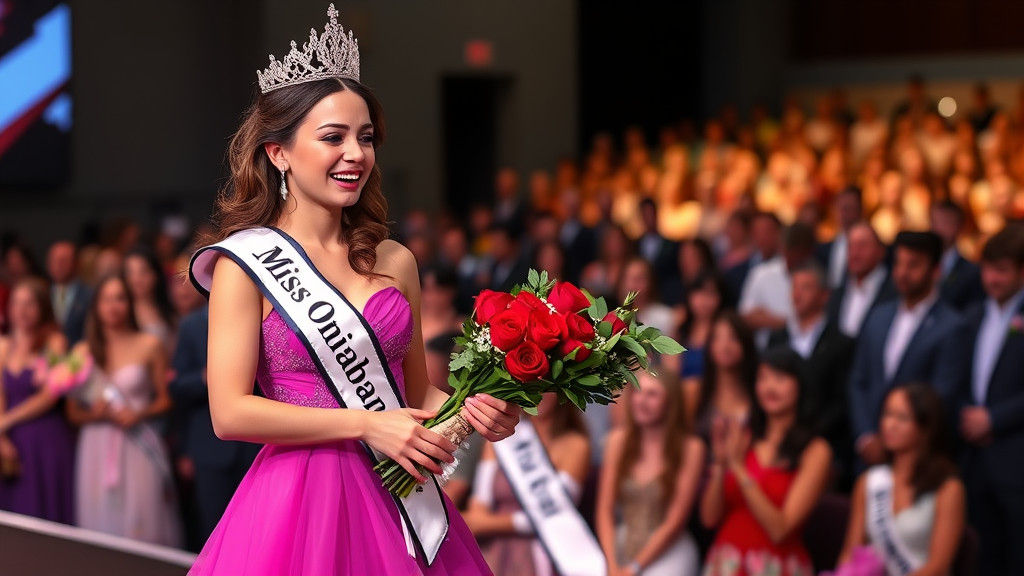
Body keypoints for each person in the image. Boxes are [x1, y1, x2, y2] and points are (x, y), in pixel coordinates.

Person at [184, 7, 518, 574]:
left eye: (365, 138)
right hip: (296, 501)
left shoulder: (396, 261)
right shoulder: (246, 264)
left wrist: (475, 410)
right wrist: (365, 423)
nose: (356, 154)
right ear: (279, 152)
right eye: (332, 137)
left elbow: (416, 395)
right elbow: (230, 412)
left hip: (400, 496)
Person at [66, 274, 182, 546]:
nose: (113, 306)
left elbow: (167, 400)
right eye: (106, 299)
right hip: (96, 446)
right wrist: (97, 413)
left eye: (120, 298)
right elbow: (72, 413)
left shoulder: (150, 344)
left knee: (142, 523)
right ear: (96, 306)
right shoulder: (83, 351)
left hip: (138, 444)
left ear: (129, 304)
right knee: (99, 527)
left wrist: (138, 414)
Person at [700, 346, 831, 576]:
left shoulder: (816, 450)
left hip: (776, 565)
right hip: (725, 562)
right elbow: (709, 519)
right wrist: (721, 464)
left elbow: (780, 530)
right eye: (762, 378)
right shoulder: (744, 436)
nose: (769, 387)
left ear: (800, 385)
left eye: (780, 378)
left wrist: (739, 469)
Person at [848, 231, 969, 468]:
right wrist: (865, 436)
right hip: (869, 454)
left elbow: (941, 395)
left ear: (936, 270)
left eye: (913, 265)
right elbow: (858, 380)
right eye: (898, 263)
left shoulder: (952, 326)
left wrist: (895, 440)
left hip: (919, 461)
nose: (902, 273)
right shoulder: (878, 316)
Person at [836, 384, 965, 576]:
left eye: (902, 418)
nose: (890, 424)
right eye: (887, 414)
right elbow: (850, 552)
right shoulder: (869, 482)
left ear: (925, 428)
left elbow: (938, 566)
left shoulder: (948, 488)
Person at [464, 393, 590, 576]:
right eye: (534, 384)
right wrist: (478, 520)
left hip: (543, 551)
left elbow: (555, 514)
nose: (540, 392)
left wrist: (485, 523)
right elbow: (479, 503)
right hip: (492, 549)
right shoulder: (501, 437)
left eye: (548, 386)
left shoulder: (576, 444)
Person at [168, 299, 260, 545]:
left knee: (254, 529)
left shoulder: (261, 318)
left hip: (254, 444)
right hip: (208, 445)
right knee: (213, 530)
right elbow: (177, 387)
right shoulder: (192, 325)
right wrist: (205, 378)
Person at [596, 369, 703, 576]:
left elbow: (675, 521)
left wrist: (633, 568)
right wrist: (611, 564)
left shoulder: (691, 448)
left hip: (669, 548)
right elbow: (604, 511)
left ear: (671, 403)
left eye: (652, 395)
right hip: (623, 539)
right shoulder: (617, 441)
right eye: (637, 392)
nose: (641, 401)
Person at [961, 226, 1024, 576]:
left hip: (1015, 458)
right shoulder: (972, 316)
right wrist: (968, 417)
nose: (992, 279)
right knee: (980, 554)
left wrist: (994, 419)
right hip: (973, 458)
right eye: (987, 269)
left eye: (1001, 270)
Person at [768, 263, 855, 485]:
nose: (797, 294)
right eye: (794, 287)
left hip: (825, 445)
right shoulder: (777, 338)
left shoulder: (841, 344)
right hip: (778, 445)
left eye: (806, 287)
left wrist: (808, 433)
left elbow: (842, 400)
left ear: (824, 296)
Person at [0, 277, 76, 523]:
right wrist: (1, 438)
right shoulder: (3, 346)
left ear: (42, 308)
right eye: (17, 303)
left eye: (29, 303)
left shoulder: (55, 342)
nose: (22, 311)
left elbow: (50, 395)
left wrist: (5, 421)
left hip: (45, 441)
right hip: (11, 444)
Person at [826, 221, 897, 339]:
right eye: (851, 246)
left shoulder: (895, 291)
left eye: (862, 245)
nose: (855, 252)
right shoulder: (837, 294)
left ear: (881, 251)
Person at [931, 201, 984, 312]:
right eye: (935, 223)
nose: (938, 229)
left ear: (960, 226)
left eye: (945, 222)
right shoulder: (923, 265)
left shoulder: (972, 272)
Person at [124, 247, 178, 354]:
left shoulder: (169, 311)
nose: (136, 279)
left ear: (155, 275)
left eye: (143, 271)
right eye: (130, 272)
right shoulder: (119, 310)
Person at [46, 240, 92, 345]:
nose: (58, 265)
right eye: (54, 260)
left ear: (76, 263)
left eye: (63, 260)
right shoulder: (43, 294)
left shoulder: (90, 295)